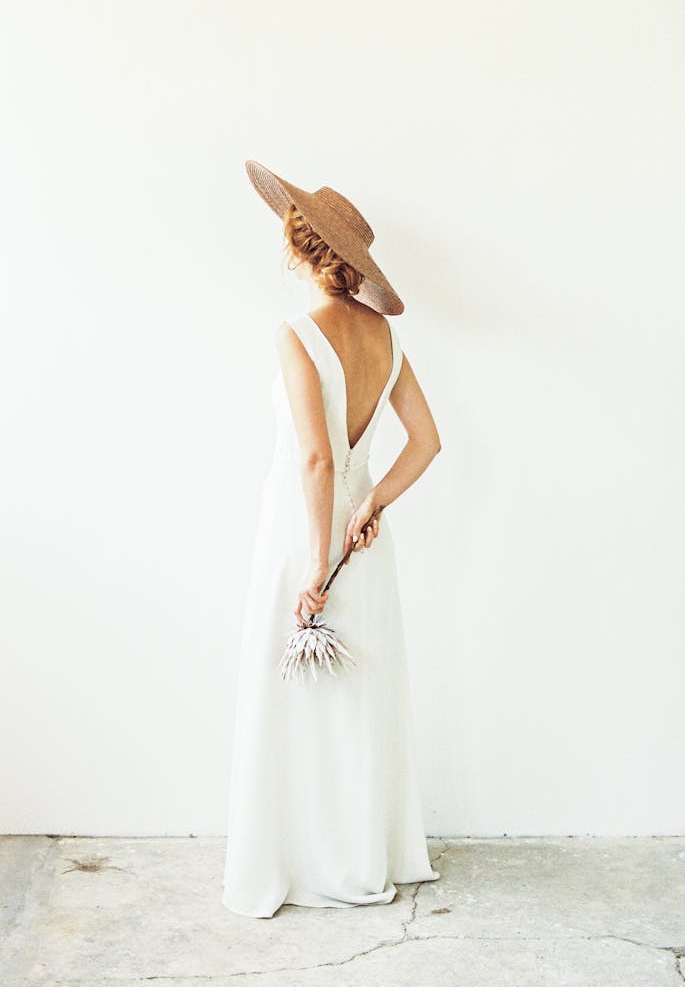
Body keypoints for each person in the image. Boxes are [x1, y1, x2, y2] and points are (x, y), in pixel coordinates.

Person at [222, 160, 442, 918]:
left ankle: (301, 858)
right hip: (363, 535)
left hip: (302, 531)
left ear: (298, 246)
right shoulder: (384, 340)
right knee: (358, 701)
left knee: (296, 700)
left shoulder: (295, 335)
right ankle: (360, 851)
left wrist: (315, 563)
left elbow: (315, 458)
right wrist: (371, 501)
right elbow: (425, 442)